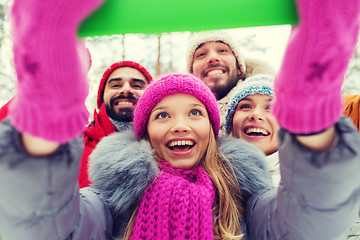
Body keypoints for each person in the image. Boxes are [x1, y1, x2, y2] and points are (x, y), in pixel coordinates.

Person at [1, 0, 360, 239]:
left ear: (213, 128)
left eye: (195, 112)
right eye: (162, 115)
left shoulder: (244, 192)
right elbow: (47, 225)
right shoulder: (112, 196)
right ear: (143, 133)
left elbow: (306, 225)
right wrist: (47, 105)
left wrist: (310, 109)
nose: (180, 125)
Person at [79, 60, 153, 188]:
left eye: (136, 86)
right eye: (116, 85)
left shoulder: (166, 149)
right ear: (102, 97)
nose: (126, 89)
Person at [187, 30, 276, 134]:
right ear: (191, 73)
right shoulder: (179, 118)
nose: (213, 58)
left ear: (239, 68)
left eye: (222, 51)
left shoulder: (273, 106)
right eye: (201, 54)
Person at [225, 74, 281, 186]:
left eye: (270, 108)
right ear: (231, 123)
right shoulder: (211, 176)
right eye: (246, 106)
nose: (256, 114)